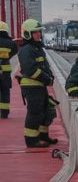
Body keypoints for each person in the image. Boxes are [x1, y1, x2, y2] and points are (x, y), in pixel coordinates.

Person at [15, 19, 58, 147]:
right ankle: (32, 140)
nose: (39, 34)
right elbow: (31, 70)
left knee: (44, 111)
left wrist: (49, 76)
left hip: (39, 86)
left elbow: (44, 65)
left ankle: (43, 136)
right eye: (35, 32)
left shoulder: (36, 48)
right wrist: (47, 79)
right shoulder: (27, 50)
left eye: (39, 32)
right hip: (32, 86)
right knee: (35, 113)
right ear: (28, 34)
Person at [0, 21, 15, 119]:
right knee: (5, 91)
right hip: (5, 72)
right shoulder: (11, 43)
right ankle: (4, 112)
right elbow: (14, 52)